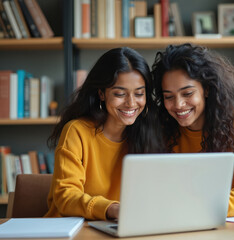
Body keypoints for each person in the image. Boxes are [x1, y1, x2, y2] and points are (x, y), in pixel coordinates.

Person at [152, 43, 234, 217]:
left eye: (187, 94)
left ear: (207, 89)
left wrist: (202, 206)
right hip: (181, 223)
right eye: (169, 97)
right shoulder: (162, 127)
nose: (178, 105)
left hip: (232, 225)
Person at [45, 47, 164, 220]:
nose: (131, 103)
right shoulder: (77, 131)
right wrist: (111, 209)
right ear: (101, 93)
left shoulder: (148, 133)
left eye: (139, 93)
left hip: (117, 229)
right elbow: (66, 197)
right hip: (69, 230)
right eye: (120, 94)